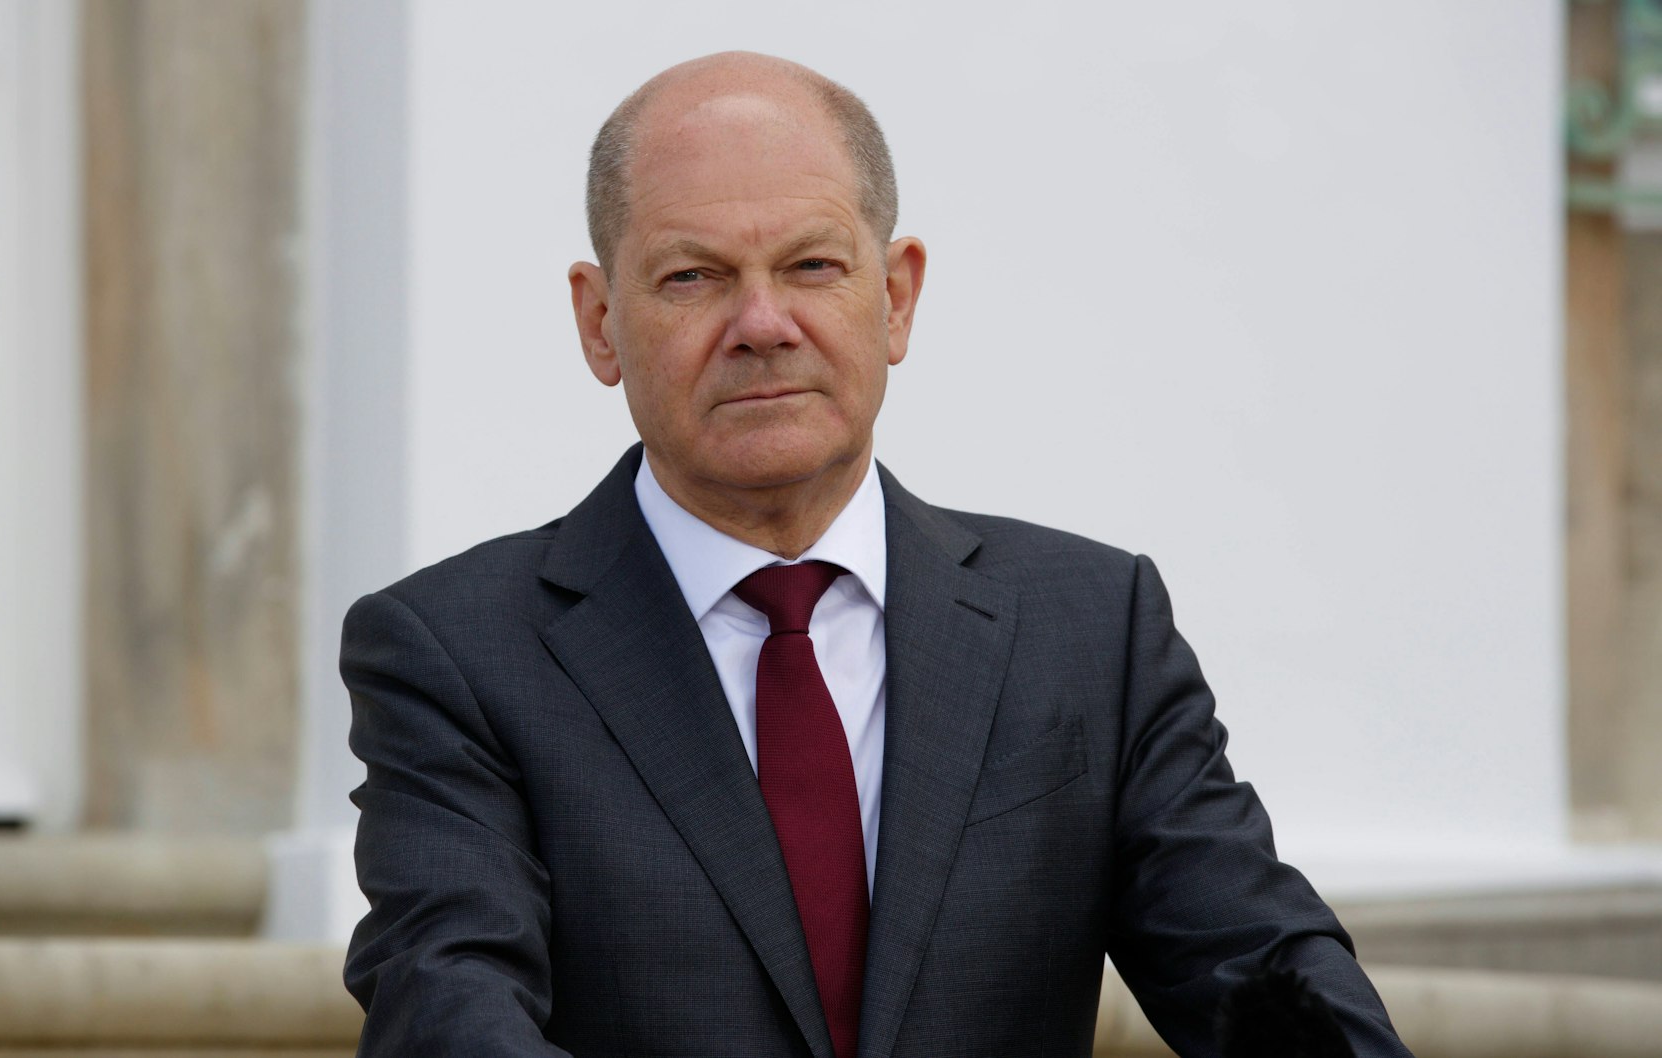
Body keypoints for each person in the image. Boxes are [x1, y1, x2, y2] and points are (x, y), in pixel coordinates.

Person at [340, 51, 1412, 1058]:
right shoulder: (455, 654)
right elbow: (448, 1005)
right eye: (693, 277)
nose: (762, 322)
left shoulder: (1094, 628)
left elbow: (1255, 961)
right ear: (598, 322)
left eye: (811, 265)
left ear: (894, 296)